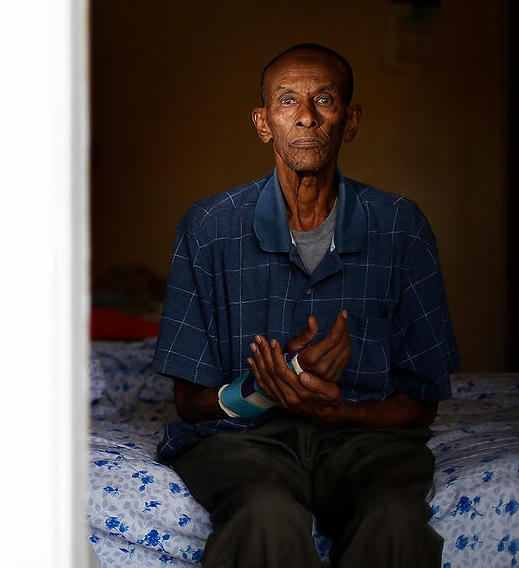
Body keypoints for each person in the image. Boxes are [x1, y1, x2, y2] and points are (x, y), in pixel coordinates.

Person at [152, 43, 461, 568]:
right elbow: (189, 401)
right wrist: (267, 388)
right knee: (265, 514)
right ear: (263, 122)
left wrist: (340, 411)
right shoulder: (209, 227)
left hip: (366, 442)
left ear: (351, 120)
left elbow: (422, 401)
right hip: (244, 442)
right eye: (287, 101)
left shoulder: (401, 227)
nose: (306, 117)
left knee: (393, 519)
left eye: (324, 99)